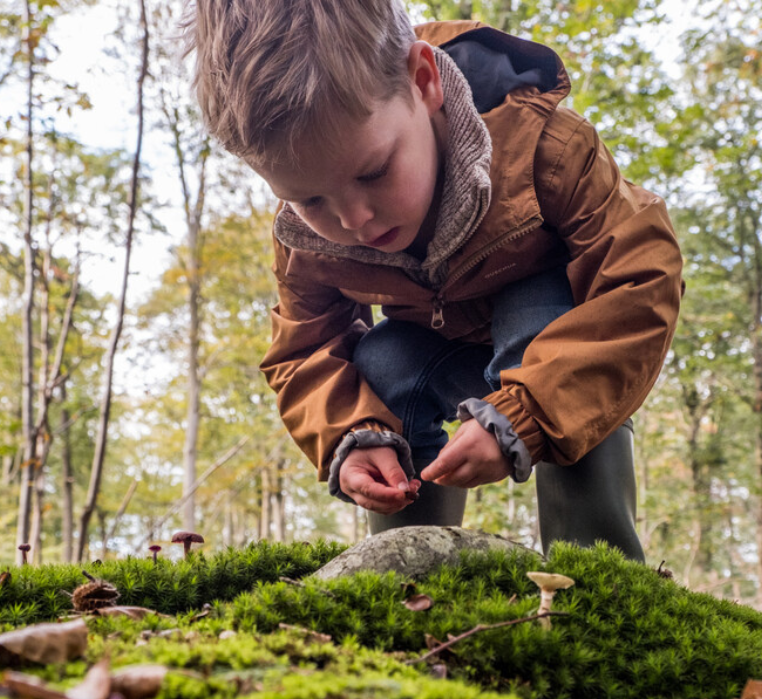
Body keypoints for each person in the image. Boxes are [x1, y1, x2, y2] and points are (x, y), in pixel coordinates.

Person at [183, 0, 683, 561]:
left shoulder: (547, 150)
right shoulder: (305, 237)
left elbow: (639, 281)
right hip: (437, 352)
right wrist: (350, 440)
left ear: (423, 82)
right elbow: (302, 352)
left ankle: (599, 576)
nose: (354, 219)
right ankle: (409, 565)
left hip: (551, 348)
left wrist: (528, 415)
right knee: (382, 364)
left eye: (374, 172)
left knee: (545, 326)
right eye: (309, 198)